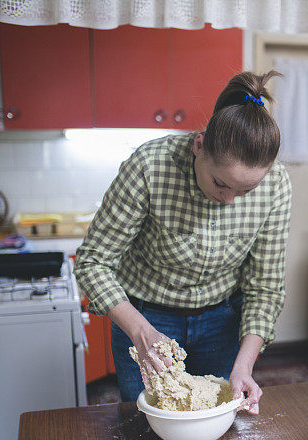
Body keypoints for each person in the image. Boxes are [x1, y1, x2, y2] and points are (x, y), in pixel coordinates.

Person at [75, 71, 291, 414]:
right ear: (199, 146)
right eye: (221, 183)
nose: (230, 200)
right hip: (145, 317)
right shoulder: (150, 166)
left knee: (213, 431)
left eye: (245, 191)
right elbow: (92, 262)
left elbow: (265, 287)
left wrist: (244, 366)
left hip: (222, 323)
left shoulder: (276, 184)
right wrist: (142, 334)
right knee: (144, 426)